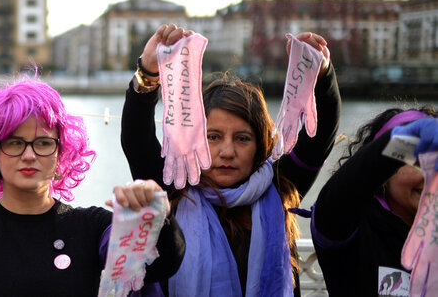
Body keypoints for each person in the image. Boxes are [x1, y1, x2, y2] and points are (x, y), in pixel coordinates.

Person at [0, 79, 185, 296]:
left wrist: (156, 218)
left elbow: (157, 265)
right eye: (15, 142)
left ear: (61, 152)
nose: (28, 154)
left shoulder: (92, 226)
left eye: (42, 143)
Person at [121, 24, 341, 296]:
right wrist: (148, 72)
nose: (227, 151)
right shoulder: (173, 187)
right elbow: (136, 138)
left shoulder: (279, 187)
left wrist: (320, 73)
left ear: (261, 146)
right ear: (196, 138)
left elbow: (321, 135)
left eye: (242, 139)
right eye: (213, 137)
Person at [311, 107, 438, 296]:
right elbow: (339, 195)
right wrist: (402, 140)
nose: (429, 176)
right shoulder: (352, 229)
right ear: (383, 175)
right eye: (416, 161)